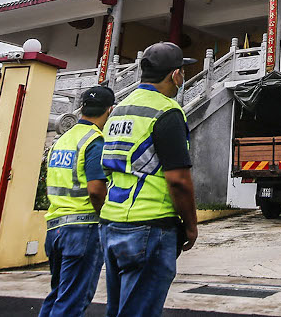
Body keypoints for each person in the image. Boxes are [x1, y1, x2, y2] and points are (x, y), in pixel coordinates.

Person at [100, 42, 198, 317]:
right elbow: (178, 179)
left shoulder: (119, 110)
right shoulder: (167, 112)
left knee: (119, 308)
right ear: (175, 75)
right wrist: (191, 225)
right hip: (150, 226)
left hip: (113, 222)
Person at [39, 85, 114, 317]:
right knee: (73, 300)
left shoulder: (62, 140)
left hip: (55, 226)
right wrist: (105, 216)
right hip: (83, 228)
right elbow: (95, 190)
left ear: (81, 108)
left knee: (58, 294)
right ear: (109, 110)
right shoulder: (94, 141)